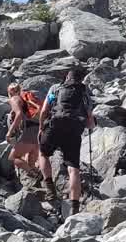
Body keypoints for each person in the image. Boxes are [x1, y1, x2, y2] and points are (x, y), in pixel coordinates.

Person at [37, 68, 95, 215]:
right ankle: (74, 208)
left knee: (43, 153)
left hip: (54, 126)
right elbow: (90, 122)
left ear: (67, 77)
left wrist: (41, 128)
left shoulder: (56, 88)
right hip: (74, 131)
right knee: (73, 168)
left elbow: (44, 111)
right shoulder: (84, 93)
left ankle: (50, 189)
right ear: (81, 80)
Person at [5, 83, 42, 182]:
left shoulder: (14, 99)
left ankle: (36, 176)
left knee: (13, 157)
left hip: (30, 131)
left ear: (10, 92)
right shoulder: (26, 98)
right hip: (39, 129)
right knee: (31, 162)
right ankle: (40, 182)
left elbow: (19, 114)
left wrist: (9, 132)